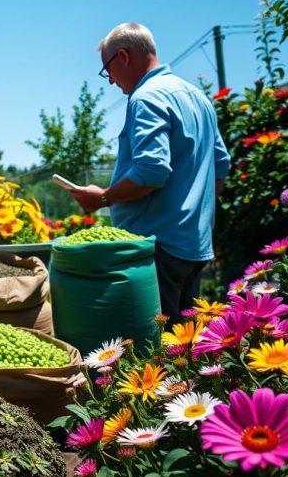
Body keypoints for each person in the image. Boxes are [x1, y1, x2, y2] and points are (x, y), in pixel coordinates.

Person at [69, 22, 231, 322]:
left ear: (123, 56)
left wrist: (102, 198)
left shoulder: (147, 97)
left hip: (158, 248)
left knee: (155, 351)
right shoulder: (198, 98)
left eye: (108, 70)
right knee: (187, 347)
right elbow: (220, 165)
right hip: (194, 244)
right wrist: (195, 214)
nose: (112, 81)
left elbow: (152, 169)